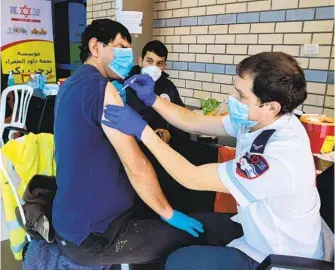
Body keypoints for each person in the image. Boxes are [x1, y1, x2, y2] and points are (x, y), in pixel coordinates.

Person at [103, 52, 324, 269]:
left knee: (179, 263)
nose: (233, 101)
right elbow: (195, 122)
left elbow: (192, 177)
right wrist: (153, 100)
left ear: (271, 106)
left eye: (242, 96)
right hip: (255, 229)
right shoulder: (259, 119)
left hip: (276, 256)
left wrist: (143, 130)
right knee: (183, 232)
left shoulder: (279, 156)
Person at [53, 19, 233, 267]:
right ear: (95, 47)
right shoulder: (102, 89)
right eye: (120, 46)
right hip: (99, 234)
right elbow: (136, 164)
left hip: (71, 221)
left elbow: (191, 120)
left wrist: (151, 101)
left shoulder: (70, 84)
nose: (127, 56)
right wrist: (168, 213)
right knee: (205, 231)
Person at [123, 40, 217, 218]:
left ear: (165, 65)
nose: (154, 67)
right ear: (141, 60)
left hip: (163, 151)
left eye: (159, 63)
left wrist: (169, 132)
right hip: (134, 149)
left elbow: (181, 117)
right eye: (150, 61)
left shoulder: (168, 87)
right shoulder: (127, 84)